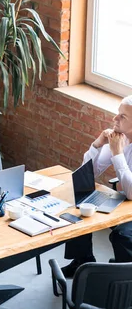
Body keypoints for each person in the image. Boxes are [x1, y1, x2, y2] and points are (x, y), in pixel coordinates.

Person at [61, 95, 132, 277]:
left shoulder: (119, 145)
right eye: (118, 113)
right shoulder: (120, 138)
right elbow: (88, 173)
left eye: (122, 116)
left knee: (122, 235)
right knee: (81, 207)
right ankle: (82, 261)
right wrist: (97, 145)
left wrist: (117, 154)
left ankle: (124, 282)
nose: (115, 118)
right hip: (126, 202)